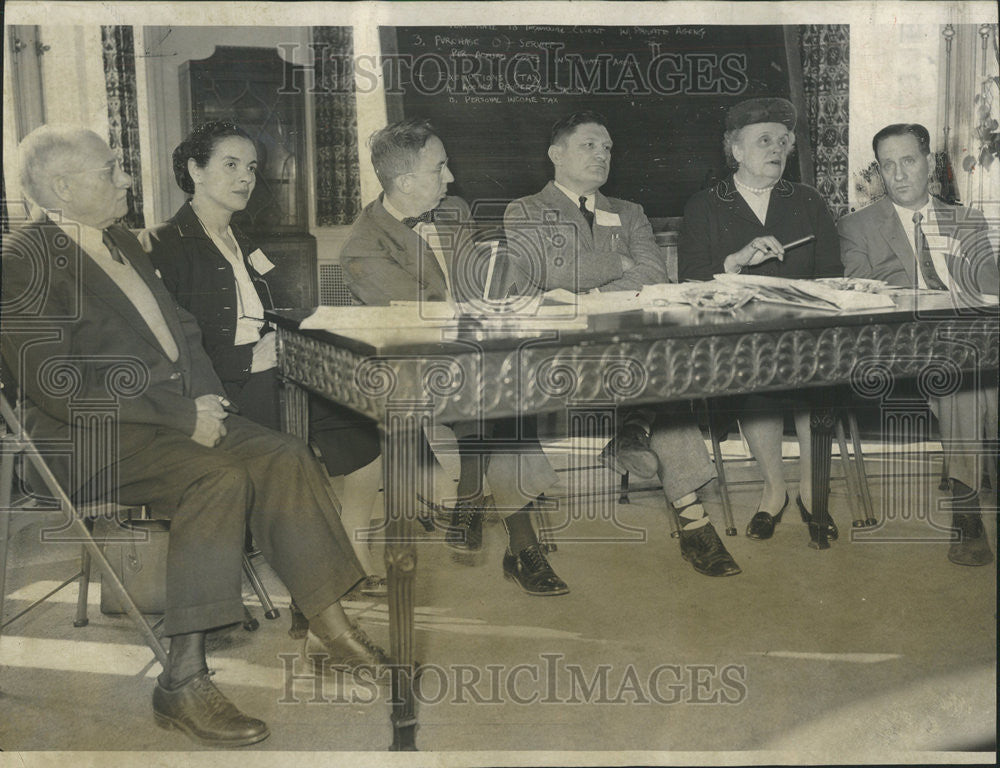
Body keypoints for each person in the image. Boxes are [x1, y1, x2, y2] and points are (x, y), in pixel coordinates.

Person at [1, 125, 390, 748]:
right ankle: (182, 678)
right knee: (219, 477)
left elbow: (182, 328)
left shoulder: (119, 240)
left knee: (286, 454)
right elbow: (58, 383)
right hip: (89, 441)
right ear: (62, 186)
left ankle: (329, 628)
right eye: (110, 170)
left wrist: (211, 402)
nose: (126, 178)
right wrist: (184, 418)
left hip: (170, 418)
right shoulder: (21, 260)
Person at [141, 121, 386, 597]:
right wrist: (246, 362)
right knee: (294, 445)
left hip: (279, 369)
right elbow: (169, 348)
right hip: (222, 389)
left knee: (363, 423)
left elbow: (273, 315)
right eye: (230, 165)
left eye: (251, 168)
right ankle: (317, 579)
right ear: (194, 170)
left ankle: (355, 551)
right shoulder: (163, 244)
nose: (245, 178)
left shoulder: (245, 242)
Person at [504, 110, 741, 577]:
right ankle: (635, 430)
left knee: (667, 369)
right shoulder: (525, 210)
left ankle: (692, 519)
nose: (602, 156)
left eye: (608, 148)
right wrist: (618, 263)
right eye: (590, 145)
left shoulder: (629, 211)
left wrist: (588, 284)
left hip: (629, 347)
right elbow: (540, 277)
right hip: (558, 351)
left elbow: (655, 273)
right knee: (659, 377)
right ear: (556, 154)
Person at [341, 117, 570, 595]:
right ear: (404, 182)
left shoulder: (455, 210)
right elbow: (428, 322)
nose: (451, 178)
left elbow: (480, 285)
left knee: (500, 387)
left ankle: (473, 499)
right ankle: (510, 534)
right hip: (414, 370)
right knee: (502, 394)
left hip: (475, 358)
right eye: (440, 168)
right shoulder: (362, 247)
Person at [678, 97, 843, 543]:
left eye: (783, 142)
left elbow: (832, 276)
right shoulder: (705, 205)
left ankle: (812, 492)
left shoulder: (807, 200)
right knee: (755, 372)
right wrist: (735, 261)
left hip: (806, 331)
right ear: (735, 150)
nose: (777, 149)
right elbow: (690, 283)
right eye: (764, 140)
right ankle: (774, 491)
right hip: (739, 335)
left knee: (817, 371)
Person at [838, 122, 999, 566]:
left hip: (974, 342)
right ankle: (967, 510)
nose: (899, 173)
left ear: (929, 162)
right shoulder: (857, 226)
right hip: (906, 346)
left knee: (974, 372)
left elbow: (990, 295)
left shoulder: (967, 220)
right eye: (888, 165)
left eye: (908, 160)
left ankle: (970, 498)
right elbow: (861, 288)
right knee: (965, 378)